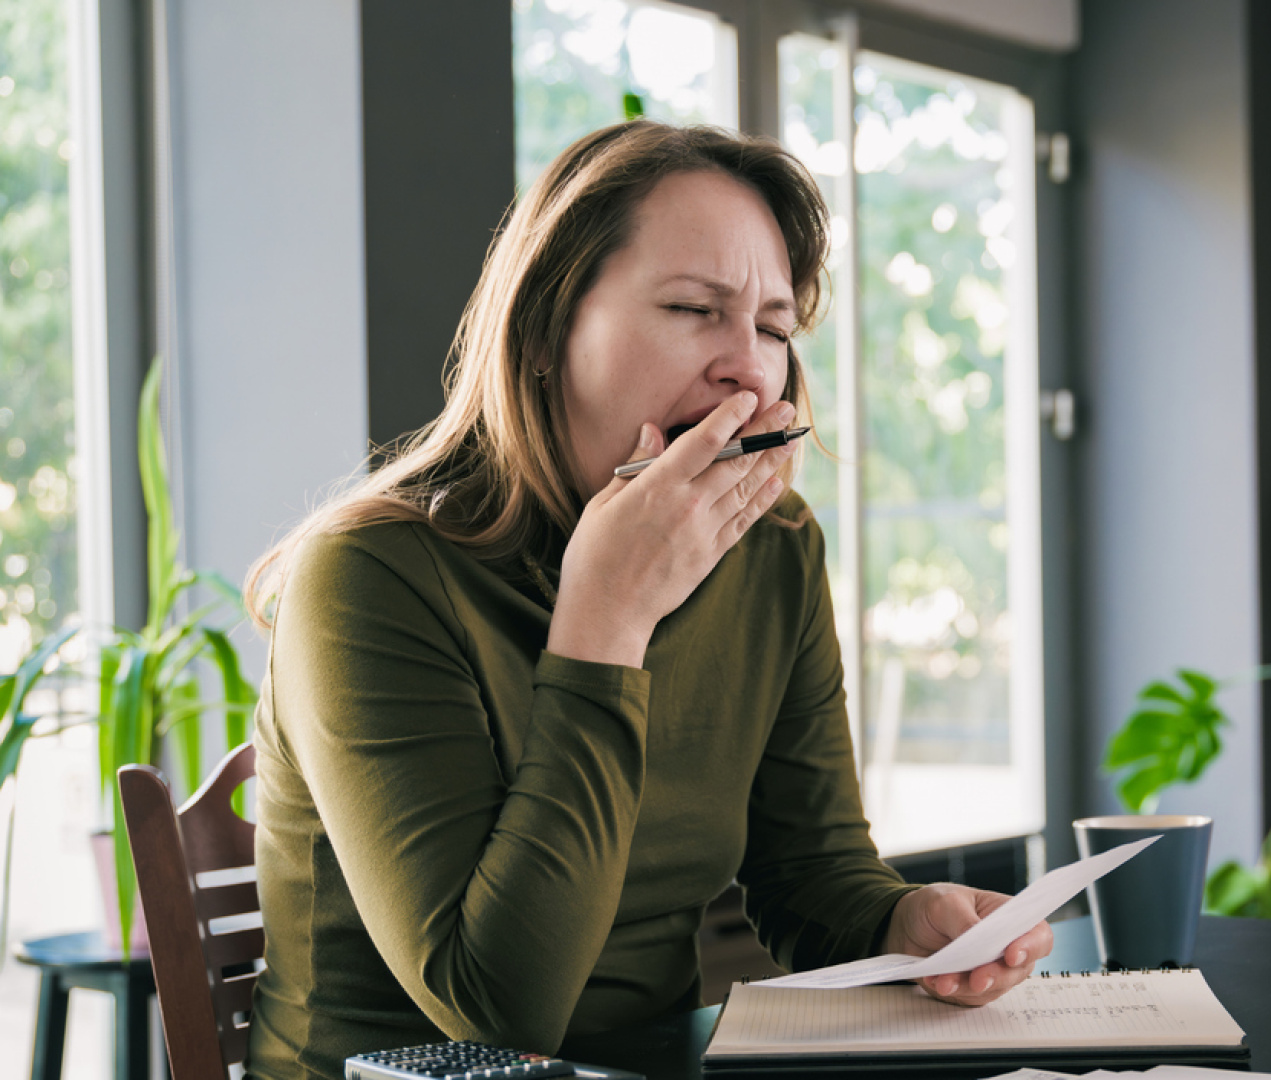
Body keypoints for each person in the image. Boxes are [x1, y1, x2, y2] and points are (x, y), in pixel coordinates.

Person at [241, 120, 1052, 1079]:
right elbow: (499, 1008)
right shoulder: (369, 577)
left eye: (775, 329)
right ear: (544, 332)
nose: (747, 368)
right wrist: (607, 621)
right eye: (692, 308)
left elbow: (810, 873)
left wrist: (900, 921)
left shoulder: (774, 554)